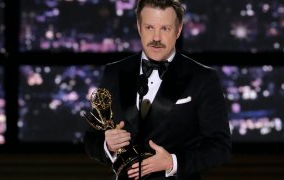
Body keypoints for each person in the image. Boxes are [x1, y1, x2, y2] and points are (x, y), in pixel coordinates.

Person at [83, 0, 232, 179]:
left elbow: (219, 147)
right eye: (149, 27)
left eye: (165, 29)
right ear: (139, 27)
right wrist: (108, 145)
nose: (156, 38)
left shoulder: (203, 78)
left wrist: (173, 162)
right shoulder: (114, 73)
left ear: (178, 30)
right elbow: (92, 138)